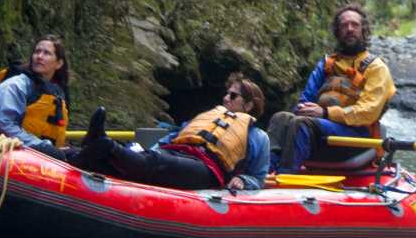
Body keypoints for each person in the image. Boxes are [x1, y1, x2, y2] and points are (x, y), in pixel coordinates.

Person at [74, 73, 272, 191]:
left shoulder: (258, 137)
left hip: (207, 170)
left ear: (248, 105)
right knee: (151, 157)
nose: (226, 98)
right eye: (227, 93)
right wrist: (141, 153)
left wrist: (244, 180)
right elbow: (169, 140)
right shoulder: (208, 118)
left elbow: (258, 178)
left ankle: (104, 144)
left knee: (157, 162)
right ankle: (81, 153)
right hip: (177, 152)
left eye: (233, 95)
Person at [267, 4, 395, 173]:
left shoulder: (376, 68)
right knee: (281, 118)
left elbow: (368, 113)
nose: (349, 29)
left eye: (355, 25)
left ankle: (286, 177)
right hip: (321, 134)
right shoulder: (327, 64)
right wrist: (304, 109)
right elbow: (306, 99)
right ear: (337, 32)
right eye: (344, 25)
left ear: (363, 30)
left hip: (356, 138)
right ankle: (267, 172)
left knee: (302, 122)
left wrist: (326, 113)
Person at [0, 35, 71, 157]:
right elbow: (5, 124)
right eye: (37, 52)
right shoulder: (15, 85)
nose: (39, 57)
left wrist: (57, 149)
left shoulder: (58, 93)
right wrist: (41, 146)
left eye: (46, 53)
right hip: (11, 151)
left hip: (44, 156)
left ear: (58, 63)